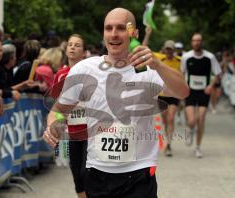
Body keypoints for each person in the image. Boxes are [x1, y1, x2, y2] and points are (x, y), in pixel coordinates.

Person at [43, 8, 189, 198]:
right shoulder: (85, 69)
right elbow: (59, 109)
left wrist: (159, 65)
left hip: (140, 171)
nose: (113, 34)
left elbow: (183, 92)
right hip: (98, 172)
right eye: (108, 28)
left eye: (121, 28)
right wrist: (54, 123)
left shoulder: (148, 69)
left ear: (134, 33)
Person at [50, 34, 88, 198]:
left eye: (77, 45)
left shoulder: (90, 72)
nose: (72, 47)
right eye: (70, 44)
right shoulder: (61, 74)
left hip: (90, 131)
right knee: (77, 176)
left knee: (87, 173)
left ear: (84, 52)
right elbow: (56, 105)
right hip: (72, 132)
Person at [181, 33, 221, 158]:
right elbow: (181, 74)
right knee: (192, 120)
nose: (196, 43)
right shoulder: (186, 57)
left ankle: (198, 147)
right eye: (194, 41)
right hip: (190, 91)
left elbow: (218, 73)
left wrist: (211, 86)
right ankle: (189, 128)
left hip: (204, 91)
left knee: (201, 118)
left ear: (201, 42)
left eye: (198, 40)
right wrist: (183, 87)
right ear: (191, 43)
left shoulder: (210, 57)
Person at [157, 40, 181, 157]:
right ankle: (167, 138)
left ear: (174, 50)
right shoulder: (160, 60)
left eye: (171, 49)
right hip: (162, 95)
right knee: (165, 121)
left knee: (171, 118)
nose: (169, 51)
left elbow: (182, 77)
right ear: (164, 49)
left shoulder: (179, 62)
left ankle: (169, 144)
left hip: (174, 95)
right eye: (167, 49)